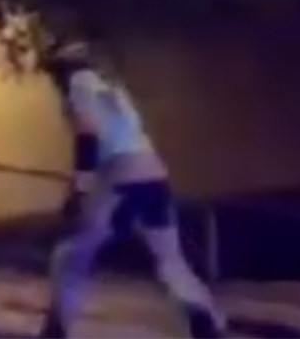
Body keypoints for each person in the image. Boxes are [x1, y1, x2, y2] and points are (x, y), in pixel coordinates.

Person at [38, 39, 225, 339]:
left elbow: (88, 136)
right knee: (170, 260)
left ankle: (55, 331)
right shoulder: (112, 87)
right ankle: (206, 324)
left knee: (71, 256)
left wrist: (81, 187)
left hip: (123, 179)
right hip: (155, 177)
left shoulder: (79, 85)